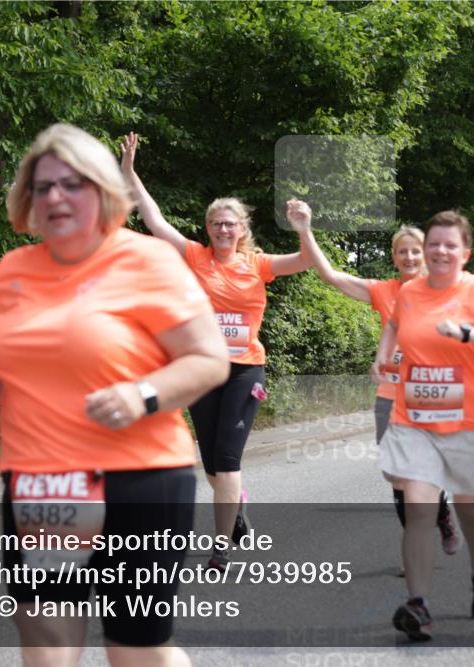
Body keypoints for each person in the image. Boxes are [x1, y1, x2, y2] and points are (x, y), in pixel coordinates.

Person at [0, 123, 228, 667]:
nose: (55, 196)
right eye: (42, 186)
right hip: (42, 481)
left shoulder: (146, 261)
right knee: (48, 648)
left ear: (103, 190)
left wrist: (143, 393)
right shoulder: (12, 272)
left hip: (140, 477)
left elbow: (209, 359)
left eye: (72, 184)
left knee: (134, 651)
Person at [120, 133, 314, 571]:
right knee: (210, 462)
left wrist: (304, 228)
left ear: (243, 229)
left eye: (231, 224)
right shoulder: (193, 256)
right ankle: (238, 509)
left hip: (246, 370)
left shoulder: (259, 264)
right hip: (202, 370)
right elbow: (154, 221)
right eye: (216, 224)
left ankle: (220, 548)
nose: (224, 229)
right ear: (208, 229)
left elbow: (307, 261)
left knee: (227, 461)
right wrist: (130, 173)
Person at [372, 210, 474, 640]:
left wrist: (467, 334)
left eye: (449, 245)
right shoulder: (410, 292)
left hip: (470, 419)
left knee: (470, 509)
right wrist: (383, 355)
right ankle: (417, 604)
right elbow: (396, 325)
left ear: (465, 253)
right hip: (414, 416)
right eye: (434, 243)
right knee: (418, 505)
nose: (440, 251)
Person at [298, 222, 461, 563]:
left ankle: (441, 515)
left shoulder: (446, 290)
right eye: (403, 251)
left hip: (434, 394)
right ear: (394, 257)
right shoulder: (384, 290)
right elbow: (330, 275)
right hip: (391, 394)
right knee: (397, 477)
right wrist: (306, 229)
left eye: (415, 250)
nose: (410, 256)